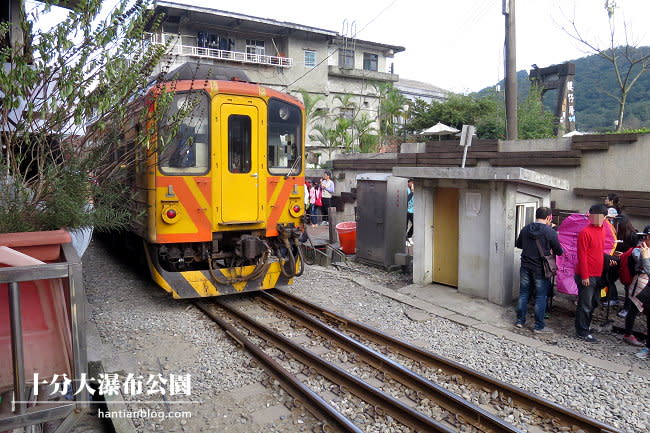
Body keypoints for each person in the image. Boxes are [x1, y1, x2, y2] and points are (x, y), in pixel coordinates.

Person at [515, 207, 563, 333]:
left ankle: (520, 321)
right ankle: (538, 326)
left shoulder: (525, 229)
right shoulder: (550, 232)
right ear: (548, 218)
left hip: (525, 265)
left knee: (524, 293)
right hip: (541, 268)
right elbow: (559, 251)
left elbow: (519, 244)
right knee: (541, 296)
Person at [574, 204, 610, 343]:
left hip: (598, 273)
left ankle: (586, 326)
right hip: (586, 275)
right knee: (585, 303)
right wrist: (585, 276)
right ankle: (582, 331)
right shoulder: (585, 232)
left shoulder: (603, 230)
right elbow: (581, 255)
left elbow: (599, 251)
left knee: (594, 302)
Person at [621, 225, 650, 355]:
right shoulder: (639, 249)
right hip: (640, 280)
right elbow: (641, 264)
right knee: (633, 308)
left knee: (646, 310)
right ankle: (628, 333)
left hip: (646, 281)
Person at [406, 179, 414, 246]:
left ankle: (409, 236)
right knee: (405, 226)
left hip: (412, 210)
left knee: (415, 224)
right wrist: (412, 192)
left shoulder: (413, 190)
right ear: (408, 183)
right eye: (411, 183)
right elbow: (406, 199)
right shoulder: (406, 190)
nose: (412, 184)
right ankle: (405, 239)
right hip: (406, 210)